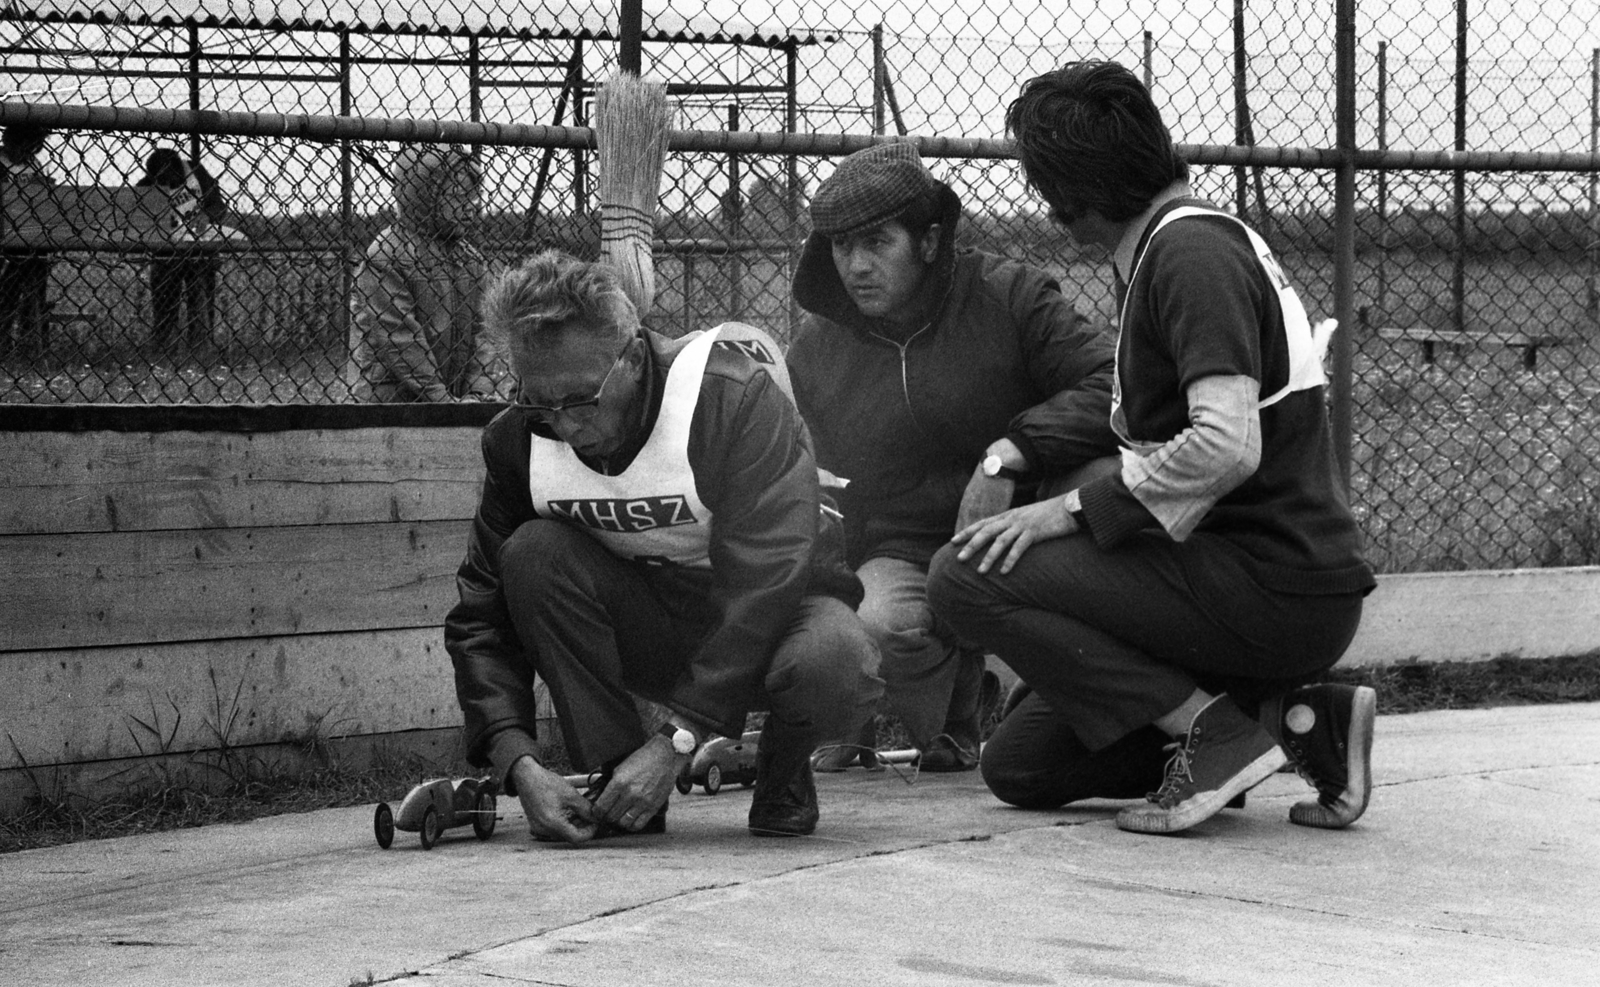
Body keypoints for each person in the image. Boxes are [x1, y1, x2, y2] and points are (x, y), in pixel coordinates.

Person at [927, 60, 1379, 835]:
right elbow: (1140, 423)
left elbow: (1226, 444)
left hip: (1273, 583)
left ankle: (1215, 731)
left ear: (1072, 195)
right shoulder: (1173, 246)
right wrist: (1016, 451)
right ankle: (1292, 719)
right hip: (1245, 581)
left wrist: (1068, 510)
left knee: (964, 576)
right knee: (1022, 762)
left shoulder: (1189, 256)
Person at [444, 250, 882, 844]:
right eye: (538, 402)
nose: (564, 426)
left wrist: (678, 737)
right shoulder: (518, 440)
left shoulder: (730, 399)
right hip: (655, 625)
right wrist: (518, 763)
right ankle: (621, 784)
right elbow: (481, 616)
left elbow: (769, 579)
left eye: (579, 400)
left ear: (629, 356)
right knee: (531, 553)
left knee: (836, 657)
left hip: (773, 623)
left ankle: (783, 765)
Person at [785, 140, 1118, 772]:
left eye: (876, 243)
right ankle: (961, 706)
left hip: (1018, 530)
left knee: (1106, 481)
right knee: (877, 626)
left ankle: (1079, 705)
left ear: (930, 240)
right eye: (839, 245)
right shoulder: (819, 347)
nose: (854, 266)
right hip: (901, 545)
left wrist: (1012, 452)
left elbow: (1116, 385)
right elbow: (811, 478)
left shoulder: (1009, 295)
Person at [348, 145, 498, 402]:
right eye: (458, 197)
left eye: (473, 196)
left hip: (456, 398)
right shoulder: (386, 256)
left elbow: (482, 334)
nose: (470, 207)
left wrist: (478, 393)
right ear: (424, 197)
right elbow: (400, 340)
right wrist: (442, 401)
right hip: (391, 404)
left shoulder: (469, 258)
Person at [135, 147, 228, 357]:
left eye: (170, 177)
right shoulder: (147, 185)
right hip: (166, 255)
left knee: (201, 304)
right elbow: (136, 215)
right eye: (160, 178)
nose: (166, 182)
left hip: (199, 251)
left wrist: (207, 216)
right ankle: (163, 351)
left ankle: (200, 352)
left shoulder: (197, 173)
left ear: (179, 170)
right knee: (164, 306)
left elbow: (218, 205)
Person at [0, 123, 56, 362]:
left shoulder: (33, 165)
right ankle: (3, 344)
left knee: (35, 294)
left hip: (33, 240)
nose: (31, 153)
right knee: (6, 295)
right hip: (7, 241)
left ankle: (29, 343)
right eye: (28, 147)